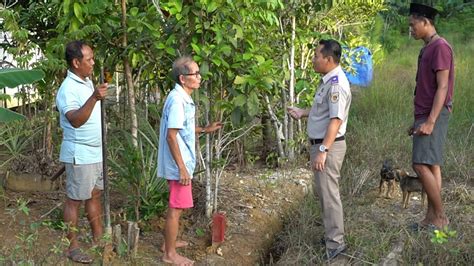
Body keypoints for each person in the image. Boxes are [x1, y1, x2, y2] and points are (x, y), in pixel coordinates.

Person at [287, 39, 351, 261]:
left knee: (329, 195)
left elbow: (335, 120)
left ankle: (336, 245)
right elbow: (323, 111)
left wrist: (323, 150)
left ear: (329, 59)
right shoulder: (328, 80)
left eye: (316, 56)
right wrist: (303, 112)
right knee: (325, 194)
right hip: (324, 145)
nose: (313, 60)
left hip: (328, 147)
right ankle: (332, 237)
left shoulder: (336, 85)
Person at [158, 56, 222, 265]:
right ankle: (169, 254)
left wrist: (204, 129)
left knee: (177, 207)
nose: (199, 77)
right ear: (183, 79)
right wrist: (182, 168)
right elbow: (171, 135)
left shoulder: (180, 97)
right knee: (175, 208)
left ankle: (170, 242)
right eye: (195, 74)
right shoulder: (178, 101)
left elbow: (181, 127)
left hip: (180, 162)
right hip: (179, 163)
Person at [56, 40, 108, 264]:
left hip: (96, 152)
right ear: (76, 62)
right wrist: (95, 97)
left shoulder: (85, 82)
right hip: (81, 153)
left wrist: (96, 95)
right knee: (74, 200)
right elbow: (75, 120)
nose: (93, 63)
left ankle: (99, 238)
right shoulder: (67, 89)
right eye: (89, 60)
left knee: (95, 194)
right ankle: (72, 247)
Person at [408, 3, 453, 229]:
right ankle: (430, 218)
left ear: (426, 22)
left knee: (420, 164)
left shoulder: (440, 47)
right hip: (424, 113)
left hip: (433, 114)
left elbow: (442, 88)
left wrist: (431, 121)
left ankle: (441, 217)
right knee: (432, 164)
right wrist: (417, 121)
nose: (411, 29)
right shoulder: (426, 48)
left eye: (414, 24)